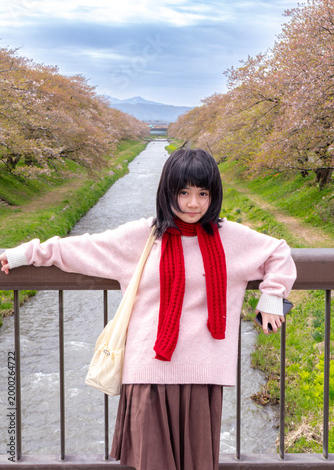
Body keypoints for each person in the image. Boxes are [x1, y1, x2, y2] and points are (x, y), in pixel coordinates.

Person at [0, 147, 296, 470]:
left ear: (215, 195)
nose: (193, 203)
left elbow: (278, 252)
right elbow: (82, 247)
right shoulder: (144, 235)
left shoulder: (230, 238)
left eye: (202, 193)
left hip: (203, 380)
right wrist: (25, 254)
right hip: (148, 379)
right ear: (167, 192)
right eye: (183, 192)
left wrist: (271, 297)